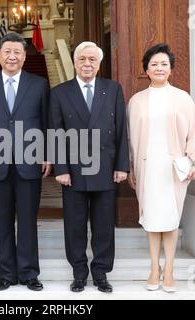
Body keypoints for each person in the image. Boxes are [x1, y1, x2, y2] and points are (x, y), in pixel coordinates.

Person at [127, 43, 195, 292]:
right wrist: (131, 167)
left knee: (171, 220)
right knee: (151, 219)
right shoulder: (136, 101)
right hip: (147, 167)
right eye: (154, 64)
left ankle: (170, 269)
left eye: (164, 64)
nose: (159, 68)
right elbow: (130, 139)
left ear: (171, 69)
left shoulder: (182, 98)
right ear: (146, 70)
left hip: (173, 168)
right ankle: (155, 268)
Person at [49, 41, 130, 293]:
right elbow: (55, 133)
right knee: (74, 224)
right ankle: (79, 274)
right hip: (72, 171)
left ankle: (101, 273)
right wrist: (60, 168)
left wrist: (122, 165)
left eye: (92, 60)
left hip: (105, 167)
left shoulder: (113, 89)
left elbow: (120, 131)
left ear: (99, 63)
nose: (87, 64)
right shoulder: (60, 92)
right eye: (82, 59)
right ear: (74, 62)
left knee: (103, 224)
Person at [0, 33, 51, 291]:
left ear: (24, 56)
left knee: (28, 220)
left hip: (30, 162)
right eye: (7, 52)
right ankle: (6, 274)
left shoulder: (39, 85)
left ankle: (29, 273)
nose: (12, 56)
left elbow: (46, 122)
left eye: (17, 52)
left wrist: (47, 154)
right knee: (2, 221)